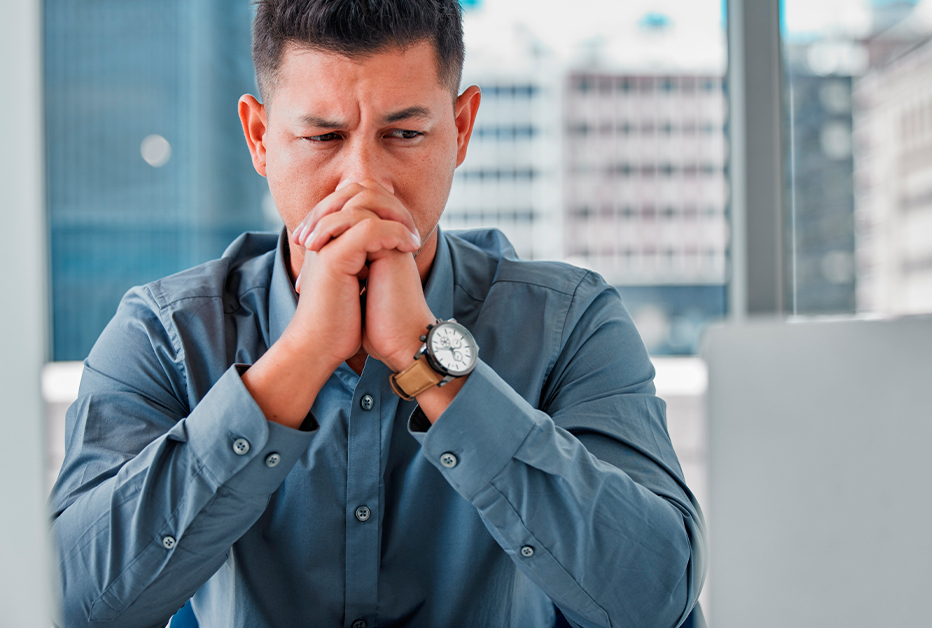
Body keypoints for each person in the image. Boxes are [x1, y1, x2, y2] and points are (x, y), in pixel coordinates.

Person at [49, 0, 706, 626]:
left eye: (406, 134)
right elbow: (75, 601)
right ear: (260, 138)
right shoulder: (166, 334)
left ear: (462, 130)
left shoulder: (568, 324)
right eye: (323, 136)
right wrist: (299, 360)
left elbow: (654, 598)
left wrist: (429, 359)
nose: (364, 181)